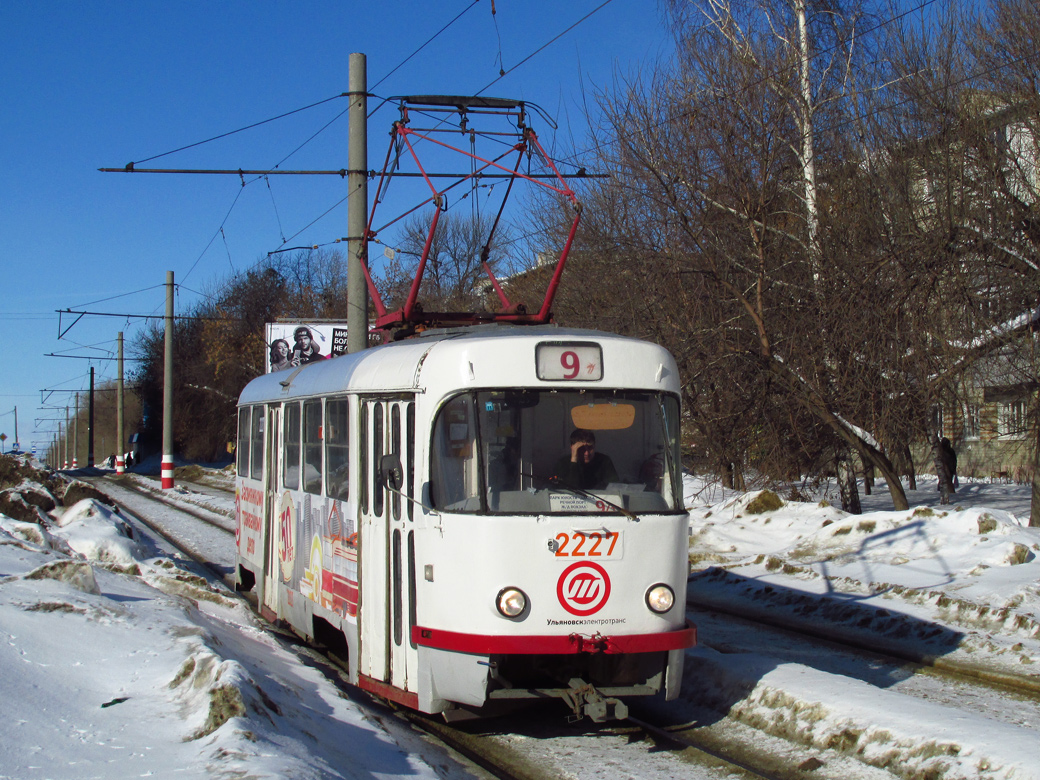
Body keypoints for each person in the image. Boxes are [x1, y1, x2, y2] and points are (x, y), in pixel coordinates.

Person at [552, 429, 618, 491]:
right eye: (582, 449)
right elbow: (568, 490)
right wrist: (574, 460)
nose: (586, 453)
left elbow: (614, 486)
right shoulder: (563, 463)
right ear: (573, 448)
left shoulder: (604, 461)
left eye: (590, 448)